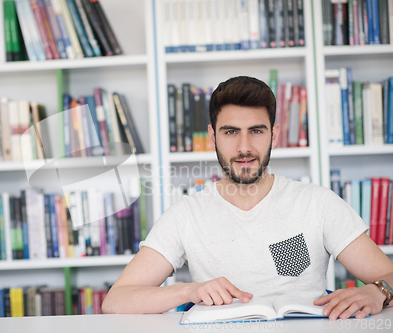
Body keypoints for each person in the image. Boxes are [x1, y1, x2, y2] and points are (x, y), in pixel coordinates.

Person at [101, 76, 393, 320]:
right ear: (213, 137)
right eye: (231, 132)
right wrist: (189, 291)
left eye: (256, 131)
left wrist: (377, 291)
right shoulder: (185, 215)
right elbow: (115, 301)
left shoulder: (319, 203)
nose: (244, 147)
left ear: (274, 136)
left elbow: (387, 275)